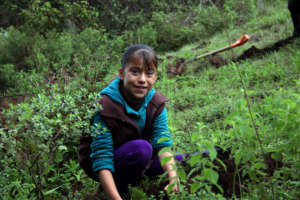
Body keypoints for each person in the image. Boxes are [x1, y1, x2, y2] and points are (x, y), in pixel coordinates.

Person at [90, 44, 180, 200]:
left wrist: (173, 178)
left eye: (149, 73)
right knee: (142, 148)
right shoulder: (104, 107)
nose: (142, 80)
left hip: (141, 159)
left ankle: (140, 175)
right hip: (114, 163)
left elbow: (163, 144)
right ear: (122, 74)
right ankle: (117, 187)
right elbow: (102, 158)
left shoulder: (156, 103)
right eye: (135, 72)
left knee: (177, 161)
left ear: (155, 77)